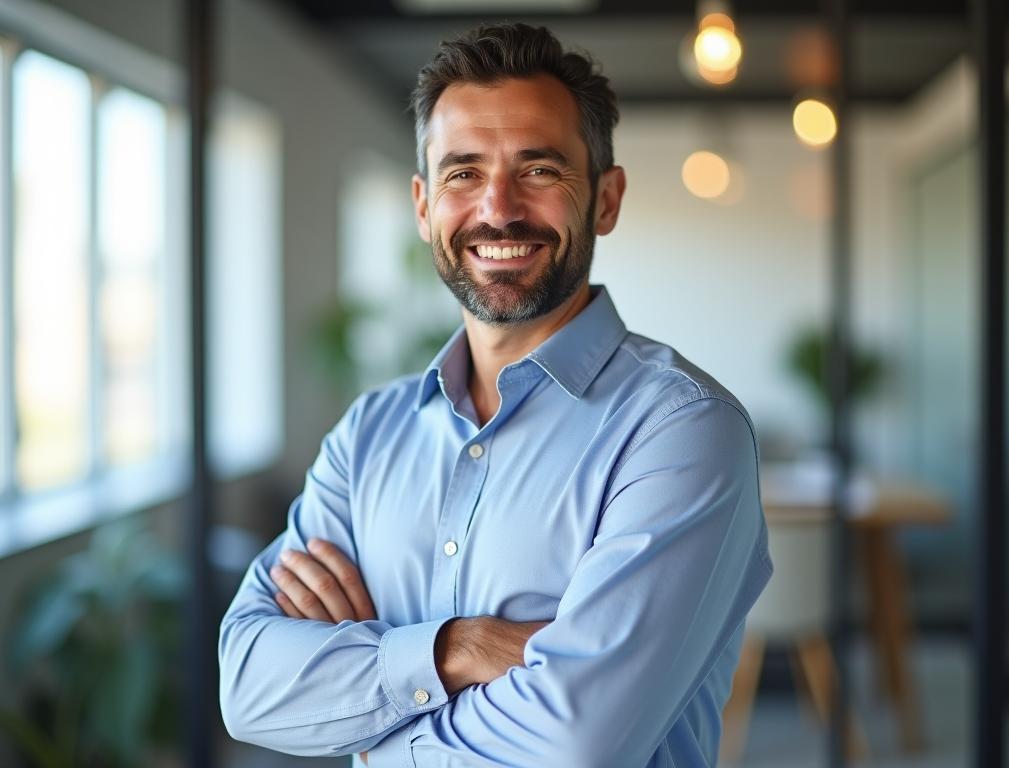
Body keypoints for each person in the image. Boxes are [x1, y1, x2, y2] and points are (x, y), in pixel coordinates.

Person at [219, 22, 772, 767]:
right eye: (463, 173)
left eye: (539, 169)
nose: (498, 208)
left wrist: (369, 712)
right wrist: (457, 649)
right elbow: (249, 685)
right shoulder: (368, 435)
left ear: (605, 200)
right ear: (423, 205)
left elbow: (579, 744)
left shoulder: (681, 432)